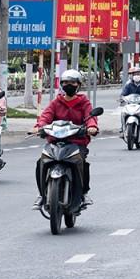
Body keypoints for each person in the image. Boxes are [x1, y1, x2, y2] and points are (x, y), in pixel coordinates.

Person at [33, 69, 101, 208]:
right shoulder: (56, 102)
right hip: (55, 141)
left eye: (72, 82)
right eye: (65, 82)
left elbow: (91, 117)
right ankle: (42, 195)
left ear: (78, 85)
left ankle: (83, 193)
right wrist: (39, 127)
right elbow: (46, 116)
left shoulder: (83, 102)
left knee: (81, 162)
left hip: (77, 142)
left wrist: (91, 127)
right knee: (41, 162)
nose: (68, 85)